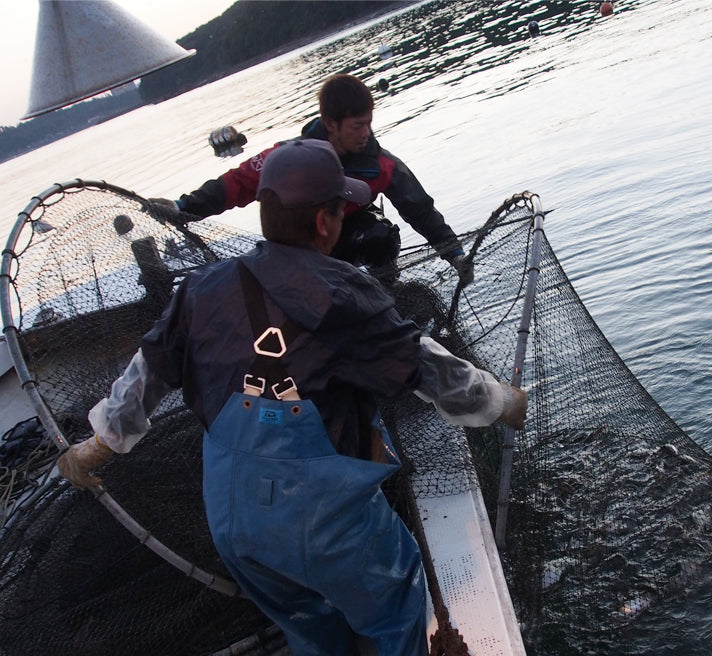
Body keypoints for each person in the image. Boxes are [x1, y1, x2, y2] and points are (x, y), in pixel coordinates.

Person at [59, 139, 526, 656]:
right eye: (340, 210)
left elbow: (141, 379)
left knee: (309, 629)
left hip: (235, 524)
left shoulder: (199, 290)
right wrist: (503, 402)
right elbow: (432, 371)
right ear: (326, 224)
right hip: (328, 523)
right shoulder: (346, 292)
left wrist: (94, 448)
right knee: (397, 601)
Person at [152, 73, 474, 284]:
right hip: (302, 246)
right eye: (357, 126)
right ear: (330, 124)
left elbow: (420, 209)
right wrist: (183, 206)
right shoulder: (288, 157)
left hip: (351, 236)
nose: (366, 134)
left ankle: (386, 294)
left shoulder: (381, 165)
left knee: (381, 236)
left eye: (368, 124)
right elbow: (236, 183)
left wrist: (455, 255)